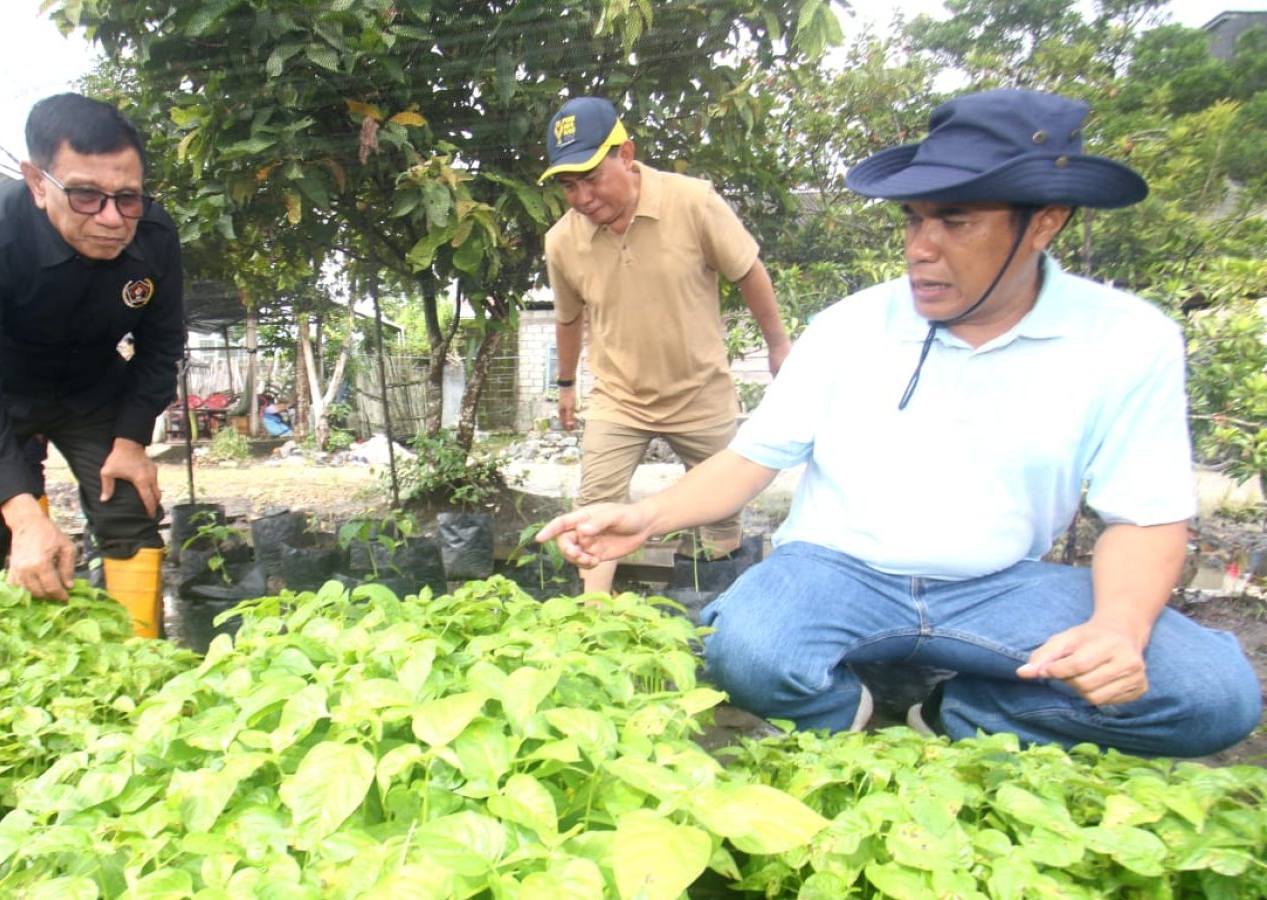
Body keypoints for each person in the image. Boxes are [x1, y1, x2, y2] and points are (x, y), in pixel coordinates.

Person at [537, 89, 1262, 757]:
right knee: (746, 650)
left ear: (1045, 221)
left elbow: (1147, 516)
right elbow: (753, 457)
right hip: (835, 570)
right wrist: (645, 518)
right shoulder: (854, 325)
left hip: (999, 586)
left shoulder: (1128, 339)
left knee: (1212, 695)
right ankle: (840, 716)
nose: (921, 246)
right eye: (915, 218)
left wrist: (1120, 629)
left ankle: (961, 714)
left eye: (957, 220)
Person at [0, 93, 183, 637]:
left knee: (128, 504)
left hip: (86, 388)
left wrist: (131, 441)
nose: (113, 219)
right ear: (38, 182)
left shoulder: (154, 234)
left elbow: (161, 346)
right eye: (86, 195)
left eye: (127, 198)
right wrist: (23, 514)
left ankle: (145, 664)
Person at [539, 96, 792, 594]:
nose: (582, 196)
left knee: (720, 518)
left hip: (701, 392)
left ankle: (707, 610)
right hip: (619, 397)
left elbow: (747, 272)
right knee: (594, 508)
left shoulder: (692, 201)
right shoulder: (561, 242)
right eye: (570, 186)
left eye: (592, 178)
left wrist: (778, 343)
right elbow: (568, 319)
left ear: (626, 154)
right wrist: (566, 384)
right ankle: (591, 627)